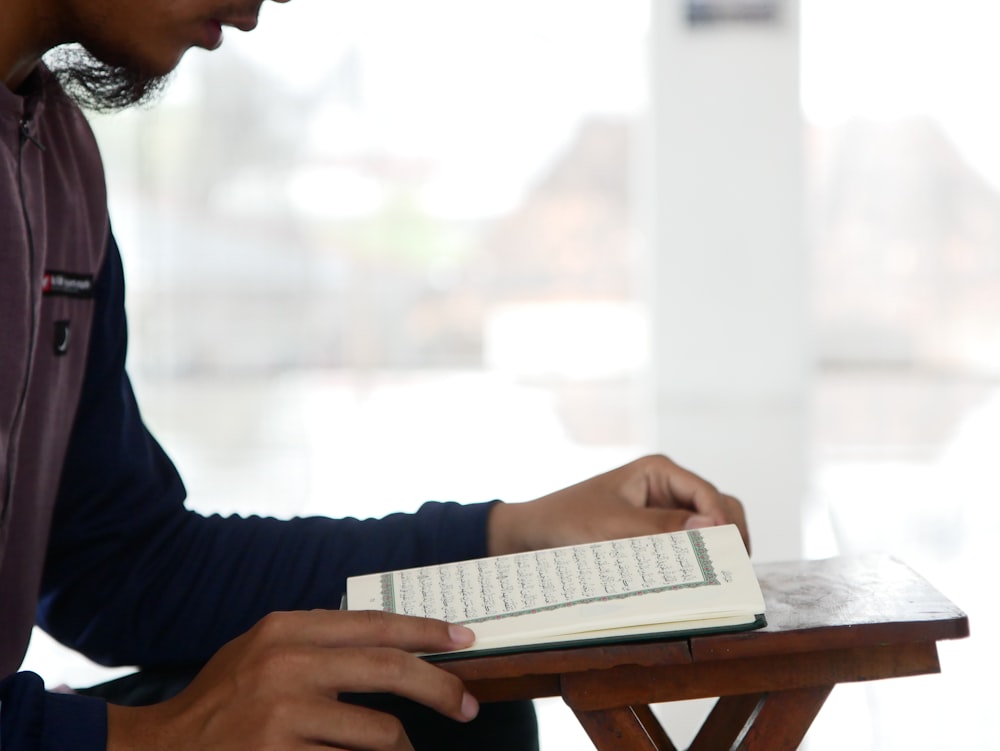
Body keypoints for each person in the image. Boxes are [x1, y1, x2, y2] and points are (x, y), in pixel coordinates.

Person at [0, 1, 750, 749]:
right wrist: (159, 736)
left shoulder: (59, 156)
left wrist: (510, 534)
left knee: (448, 706)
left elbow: (123, 570)